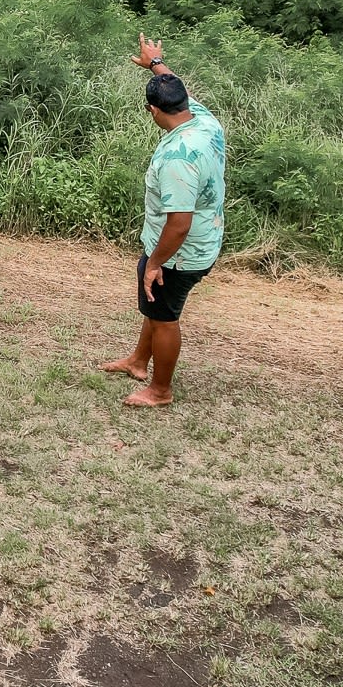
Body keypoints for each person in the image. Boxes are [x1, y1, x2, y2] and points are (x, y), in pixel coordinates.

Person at [98, 34, 226, 407]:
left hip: (179, 252)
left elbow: (179, 223)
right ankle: (138, 362)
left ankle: (161, 390)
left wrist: (155, 263)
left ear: (153, 111)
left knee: (165, 314)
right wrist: (155, 63)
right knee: (155, 308)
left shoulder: (178, 159)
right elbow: (174, 86)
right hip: (204, 238)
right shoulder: (203, 121)